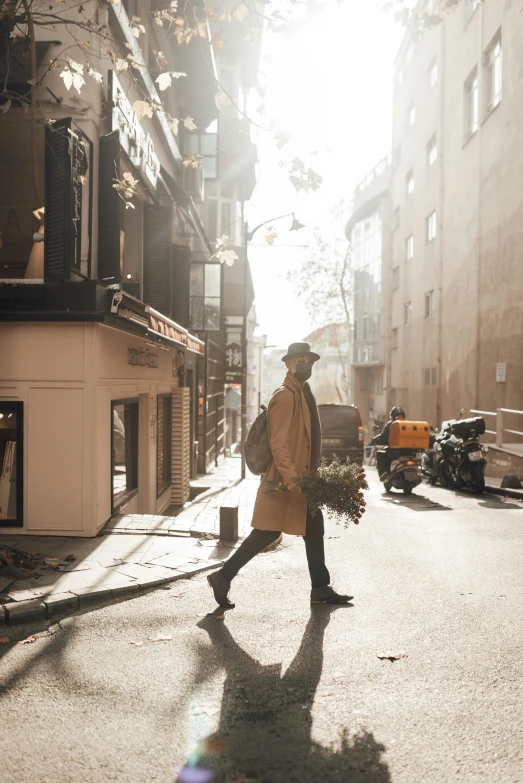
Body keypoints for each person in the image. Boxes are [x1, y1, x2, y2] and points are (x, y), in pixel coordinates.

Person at [207, 341, 352, 608]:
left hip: (301, 477)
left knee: (313, 527)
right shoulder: (286, 395)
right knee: (266, 533)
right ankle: (223, 576)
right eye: (299, 360)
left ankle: (320, 586)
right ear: (288, 363)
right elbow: (279, 443)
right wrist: (293, 480)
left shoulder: (302, 392)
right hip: (287, 481)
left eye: (308, 360)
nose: (305, 364)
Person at [371, 406, 406, 479]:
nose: (400, 418)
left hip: (395, 451)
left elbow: (383, 438)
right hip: (408, 450)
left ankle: (385, 473)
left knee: (380, 454)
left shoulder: (391, 424)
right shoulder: (408, 424)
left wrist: (377, 440)